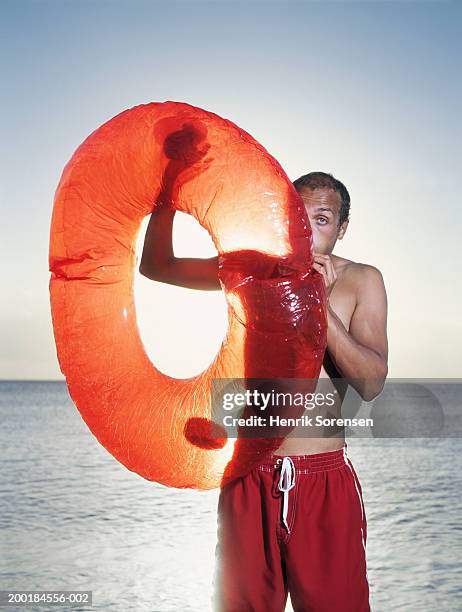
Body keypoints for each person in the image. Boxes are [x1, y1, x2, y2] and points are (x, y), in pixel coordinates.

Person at [140, 171, 388, 611]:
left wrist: (317, 304)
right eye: (298, 215)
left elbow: (370, 383)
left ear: (342, 229)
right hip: (248, 476)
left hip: (321, 480)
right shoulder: (251, 274)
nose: (307, 230)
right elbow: (157, 266)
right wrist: (167, 195)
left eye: (323, 219)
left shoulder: (361, 281)